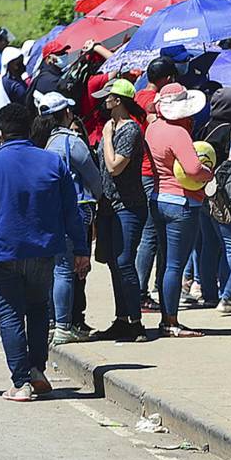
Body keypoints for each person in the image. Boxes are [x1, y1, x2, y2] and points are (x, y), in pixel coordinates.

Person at [0, 104, 89, 401]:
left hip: (3, 253)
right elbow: (72, 212)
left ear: (0, 132)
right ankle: (38, 369)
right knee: (39, 309)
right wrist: (81, 249)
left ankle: (21, 382)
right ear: (31, 129)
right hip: (43, 251)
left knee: (11, 315)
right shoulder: (53, 163)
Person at [145, 83, 214, 337]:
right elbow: (194, 169)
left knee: (165, 263)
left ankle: (167, 316)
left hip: (159, 197)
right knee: (175, 264)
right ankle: (171, 321)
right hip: (182, 202)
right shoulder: (179, 133)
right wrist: (210, 173)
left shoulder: (152, 129)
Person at [37, 91, 102, 345]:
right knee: (69, 269)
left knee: (55, 269)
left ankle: (55, 322)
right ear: (65, 114)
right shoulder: (71, 142)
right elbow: (93, 177)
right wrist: (102, 199)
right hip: (76, 209)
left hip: (49, 212)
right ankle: (65, 326)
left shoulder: (43, 142)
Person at [93, 78, 151, 342]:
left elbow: (116, 166)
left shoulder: (129, 130)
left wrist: (106, 137)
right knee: (113, 263)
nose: (105, 100)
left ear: (118, 100)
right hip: (108, 205)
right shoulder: (112, 126)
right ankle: (121, 319)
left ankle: (136, 322)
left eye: (108, 96)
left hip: (128, 205)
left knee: (125, 261)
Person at [135, 57, 178, 312]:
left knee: (148, 235)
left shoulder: (138, 96)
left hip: (141, 172)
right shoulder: (155, 104)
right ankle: (142, 292)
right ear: (168, 79)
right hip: (153, 172)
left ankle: (145, 291)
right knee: (151, 235)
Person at [196, 87, 231, 312]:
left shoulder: (204, 126)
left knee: (209, 246)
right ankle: (229, 296)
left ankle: (209, 294)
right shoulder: (229, 131)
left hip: (203, 191)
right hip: (221, 196)